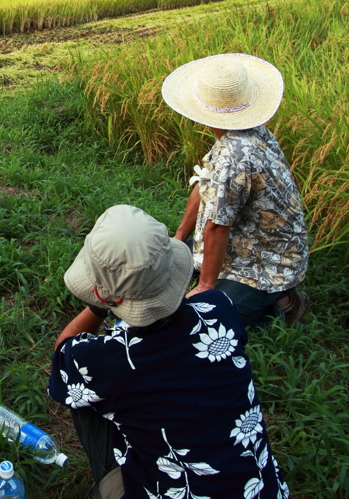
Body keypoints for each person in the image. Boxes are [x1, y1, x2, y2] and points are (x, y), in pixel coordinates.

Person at [48, 205, 289, 499]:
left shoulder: (103, 361)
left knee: (81, 395)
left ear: (99, 293)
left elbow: (63, 350)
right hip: (264, 492)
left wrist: (100, 305)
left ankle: (111, 486)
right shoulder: (220, 307)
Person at [162, 53, 309, 329]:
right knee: (165, 262)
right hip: (245, 244)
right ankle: (260, 297)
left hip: (266, 262)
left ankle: (283, 305)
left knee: (206, 323)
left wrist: (206, 285)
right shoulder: (243, 133)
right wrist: (179, 238)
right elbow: (204, 182)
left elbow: (218, 227)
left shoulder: (235, 154)